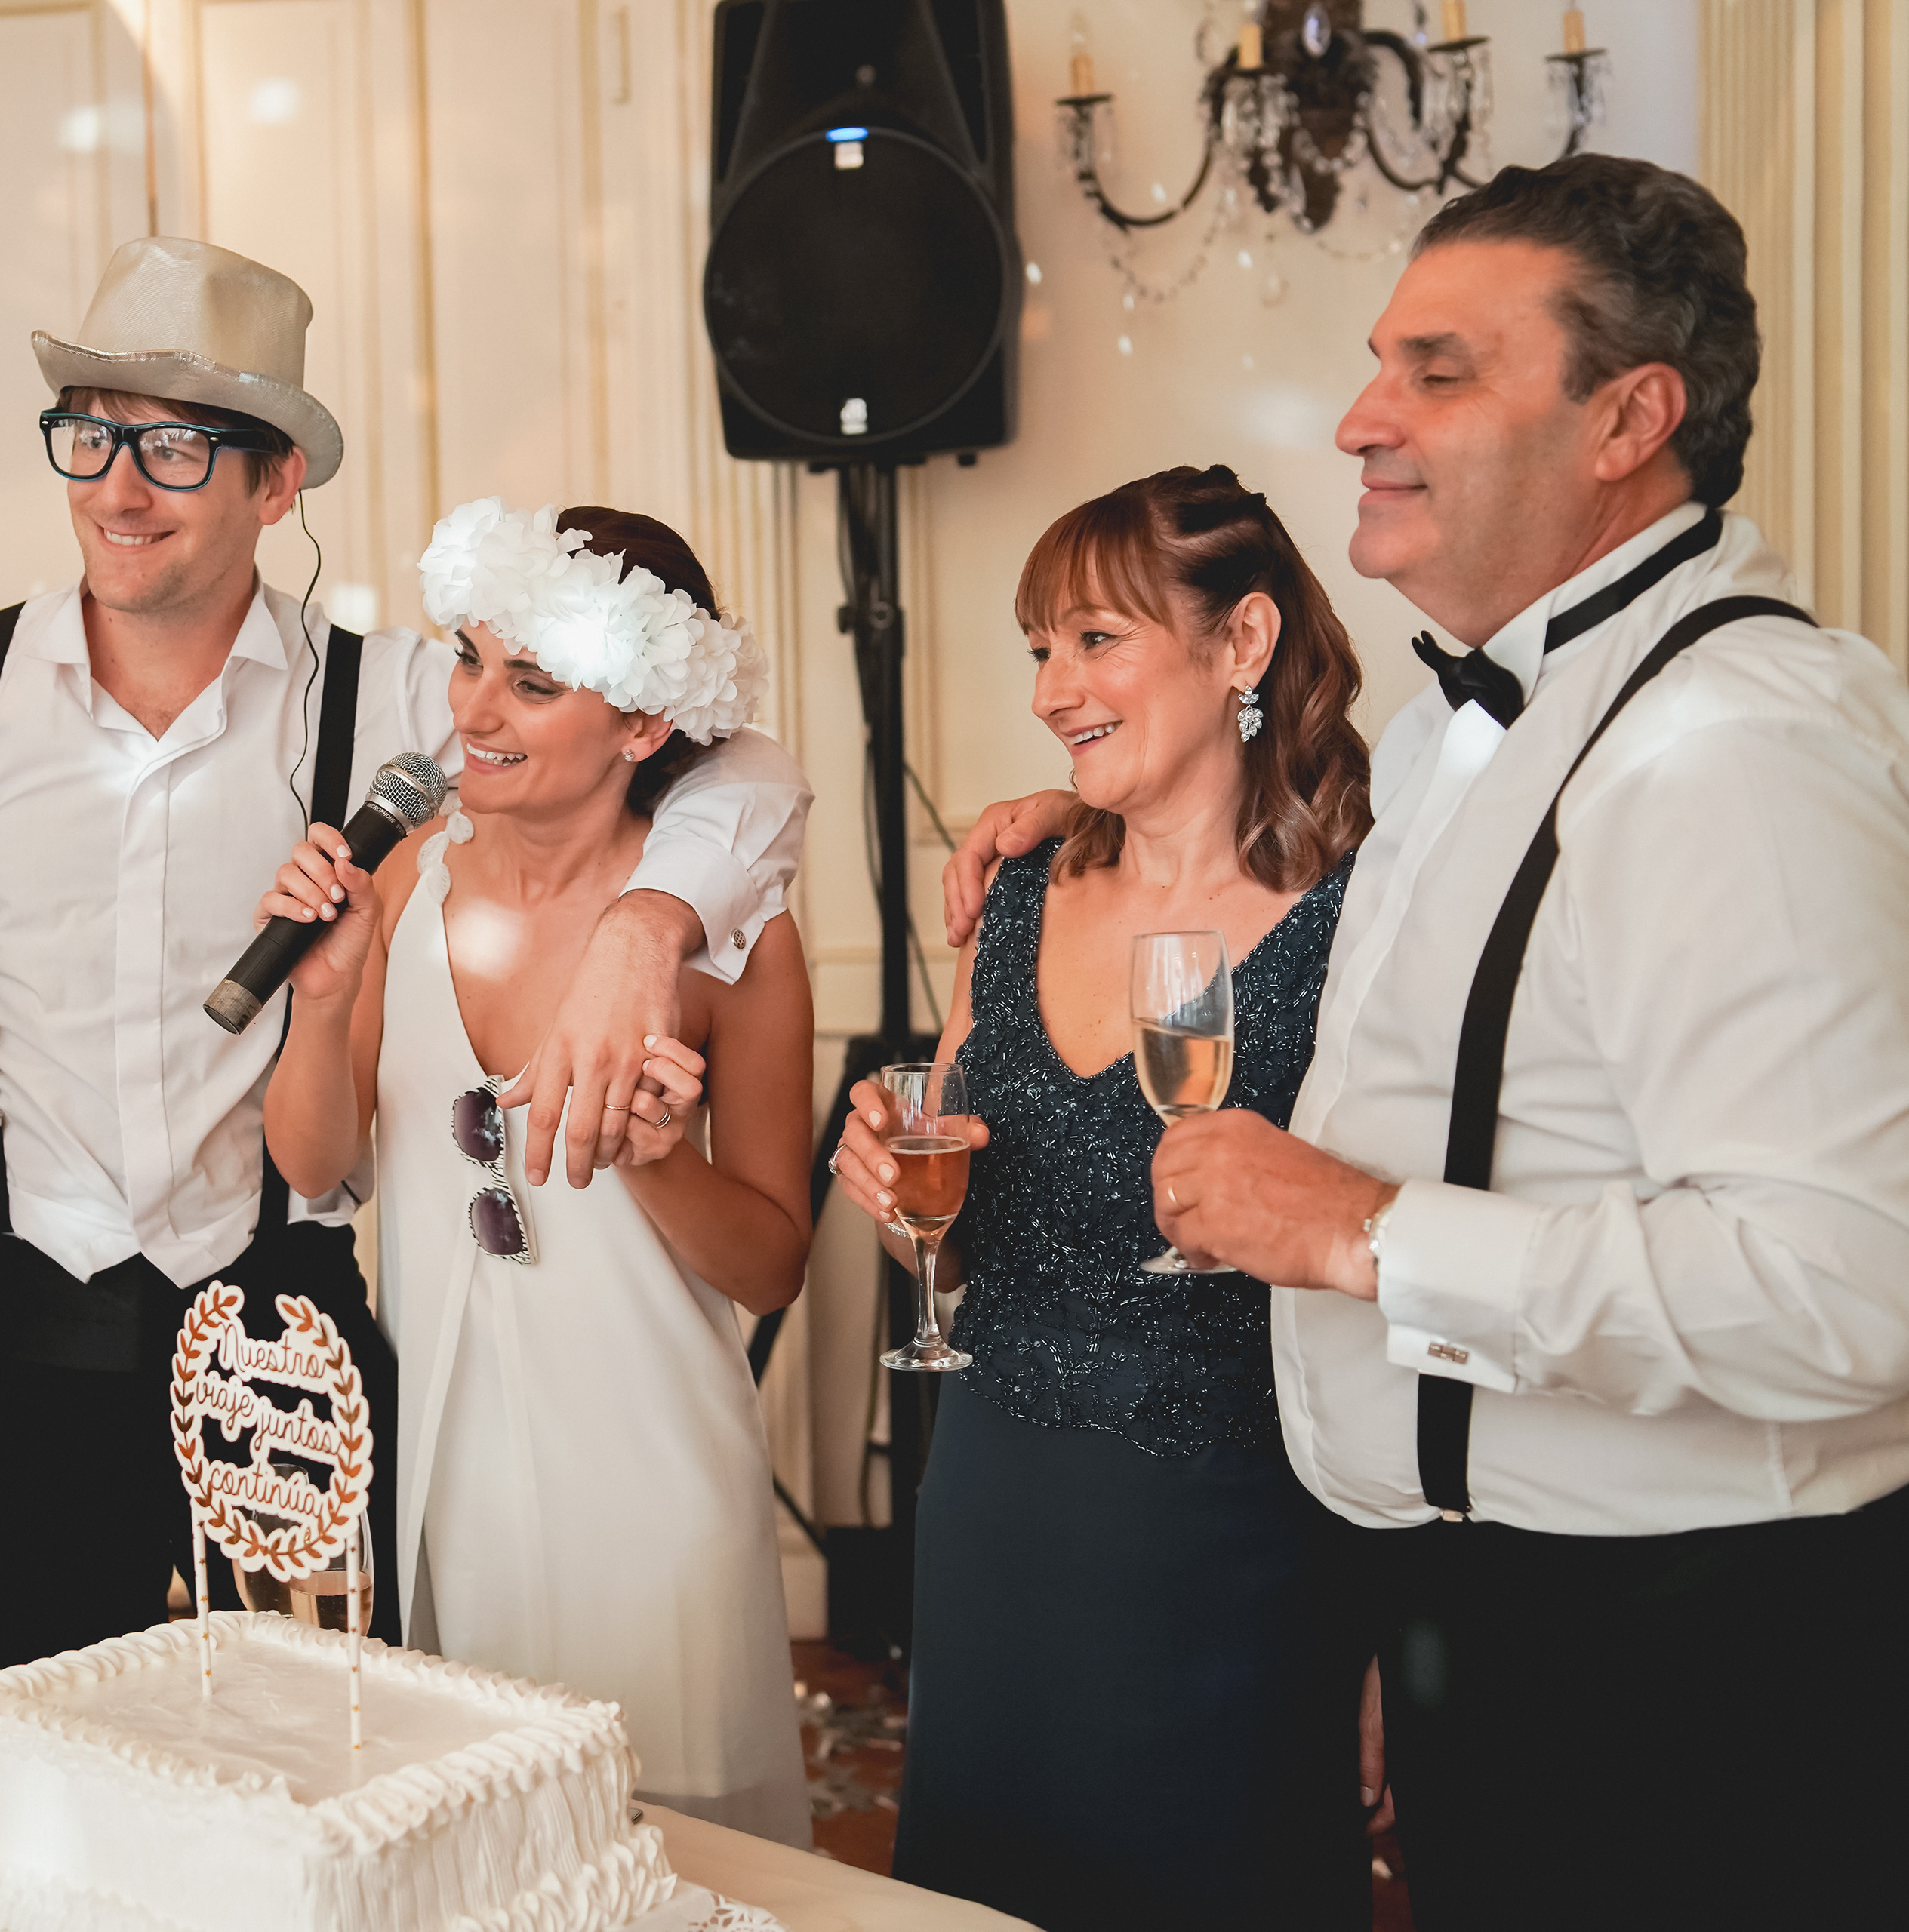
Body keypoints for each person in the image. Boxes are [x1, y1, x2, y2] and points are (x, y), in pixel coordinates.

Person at [945, 155, 1909, 1927]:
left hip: (1686, 1652)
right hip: (1480, 1611)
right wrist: (1090, 816)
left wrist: (1362, 1233)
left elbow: (1849, 1285)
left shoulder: (1730, 746)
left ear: (1630, 419)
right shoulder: (1464, 734)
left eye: (1438, 373)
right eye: (1380, 363)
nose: (1360, 418)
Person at [0, 238, 812, 1682]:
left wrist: (651, 925)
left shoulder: (403, 695)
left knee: (322, 1761)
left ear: (278, 485)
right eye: (91, 435)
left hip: (286, 1336)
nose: (118, 490)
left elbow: (741, 766)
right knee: (43, 1773)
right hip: (18, 1332)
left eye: (177, 449)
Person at [830, 468, 1374, 1926]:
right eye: (1039, 648)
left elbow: (1396, 1264)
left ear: (1242, 641)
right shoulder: (1015, 891)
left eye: (1095, 640)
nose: (1051, 690)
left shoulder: (1367, 919)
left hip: (1240, 1543)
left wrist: (1394, 1631)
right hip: (995, 1504)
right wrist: (899, 1191)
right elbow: (956, 1242)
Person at [261, 501, 813, 1844]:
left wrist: (655, 1161)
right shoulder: (405, 880)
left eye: (534, 682)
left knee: (664, 1867)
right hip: (453, 1480)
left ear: (643, 725)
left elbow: (772, 1267)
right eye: (471, 659)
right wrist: (322, 1006)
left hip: (657, 1486)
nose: (475, 709)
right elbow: (316, 1163)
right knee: (475, 1854)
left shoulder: (732, 935)